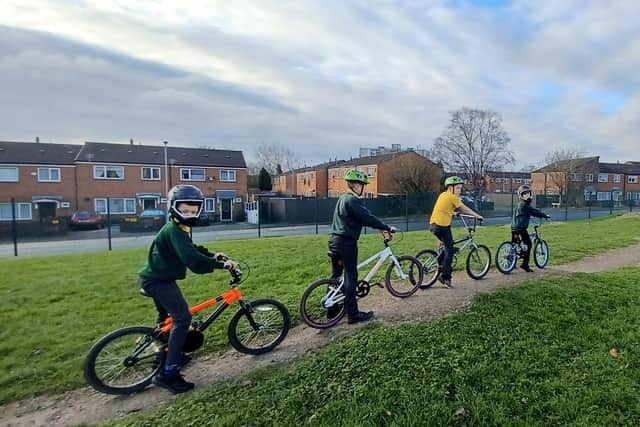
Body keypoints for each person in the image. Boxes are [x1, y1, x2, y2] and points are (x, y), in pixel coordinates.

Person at [139, 184, 237, 394]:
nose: (190, 214)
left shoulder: (179, 228)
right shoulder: (174, 229)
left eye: (194, 210)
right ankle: (169, 373)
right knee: (182, 318)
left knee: (167, 319)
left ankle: (164, 355)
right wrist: (221, 265)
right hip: (159, 281)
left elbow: (190, 248)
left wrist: (212, 255)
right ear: (173, 208)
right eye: (185, 210)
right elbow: (191, 259)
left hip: (156, 278)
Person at [328, 169, 397, 324]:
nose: (363, 187)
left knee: (336, 275)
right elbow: (367, 217)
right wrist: (386, 227)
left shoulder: (343, 198)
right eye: (362, 184)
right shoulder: (353, 200)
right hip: (347, 243)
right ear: (355, 185)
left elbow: (360, 219)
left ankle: (332, 310)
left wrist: (379, 227)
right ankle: (353, 314)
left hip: (334, 240)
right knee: (351, 276)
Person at [429, 176, 483, 288]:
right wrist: (477, 216)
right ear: (450, 188)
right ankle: (445, 277)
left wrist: (453, 213)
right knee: (450, 251)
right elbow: (464, 208)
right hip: (443, 226)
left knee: (446, 246)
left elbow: (443, 208)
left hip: (433, 225)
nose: (459, 190)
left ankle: (440, 265)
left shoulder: (443, 195)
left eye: (460, 188)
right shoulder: (452, 197)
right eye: (457, 188)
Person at [512, 184, 551, 272]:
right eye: (524, 194)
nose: (527, 195)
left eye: (528, 193)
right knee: (528, 244)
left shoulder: (519, 204)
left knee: (514, 245)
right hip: (521, 228)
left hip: (514, 227)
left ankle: (511, 263)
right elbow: (534, 212)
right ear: (521, 196)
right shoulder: (525, 205)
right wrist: (545, 215)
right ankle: (525, 264)